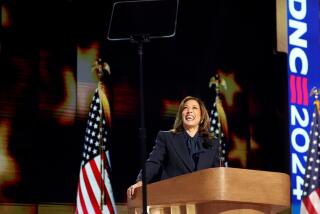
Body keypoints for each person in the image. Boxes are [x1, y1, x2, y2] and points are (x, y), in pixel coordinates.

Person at [127, 96, 221, 199]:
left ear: (202, 116)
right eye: (185, 108)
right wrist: (141, 181)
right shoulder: (167, 138)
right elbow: (154, 162)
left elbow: (217, 173)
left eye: (194, 108)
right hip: (174, 198)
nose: (189, 111)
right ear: (181, 115)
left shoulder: (213, 143)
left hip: (203, 198)